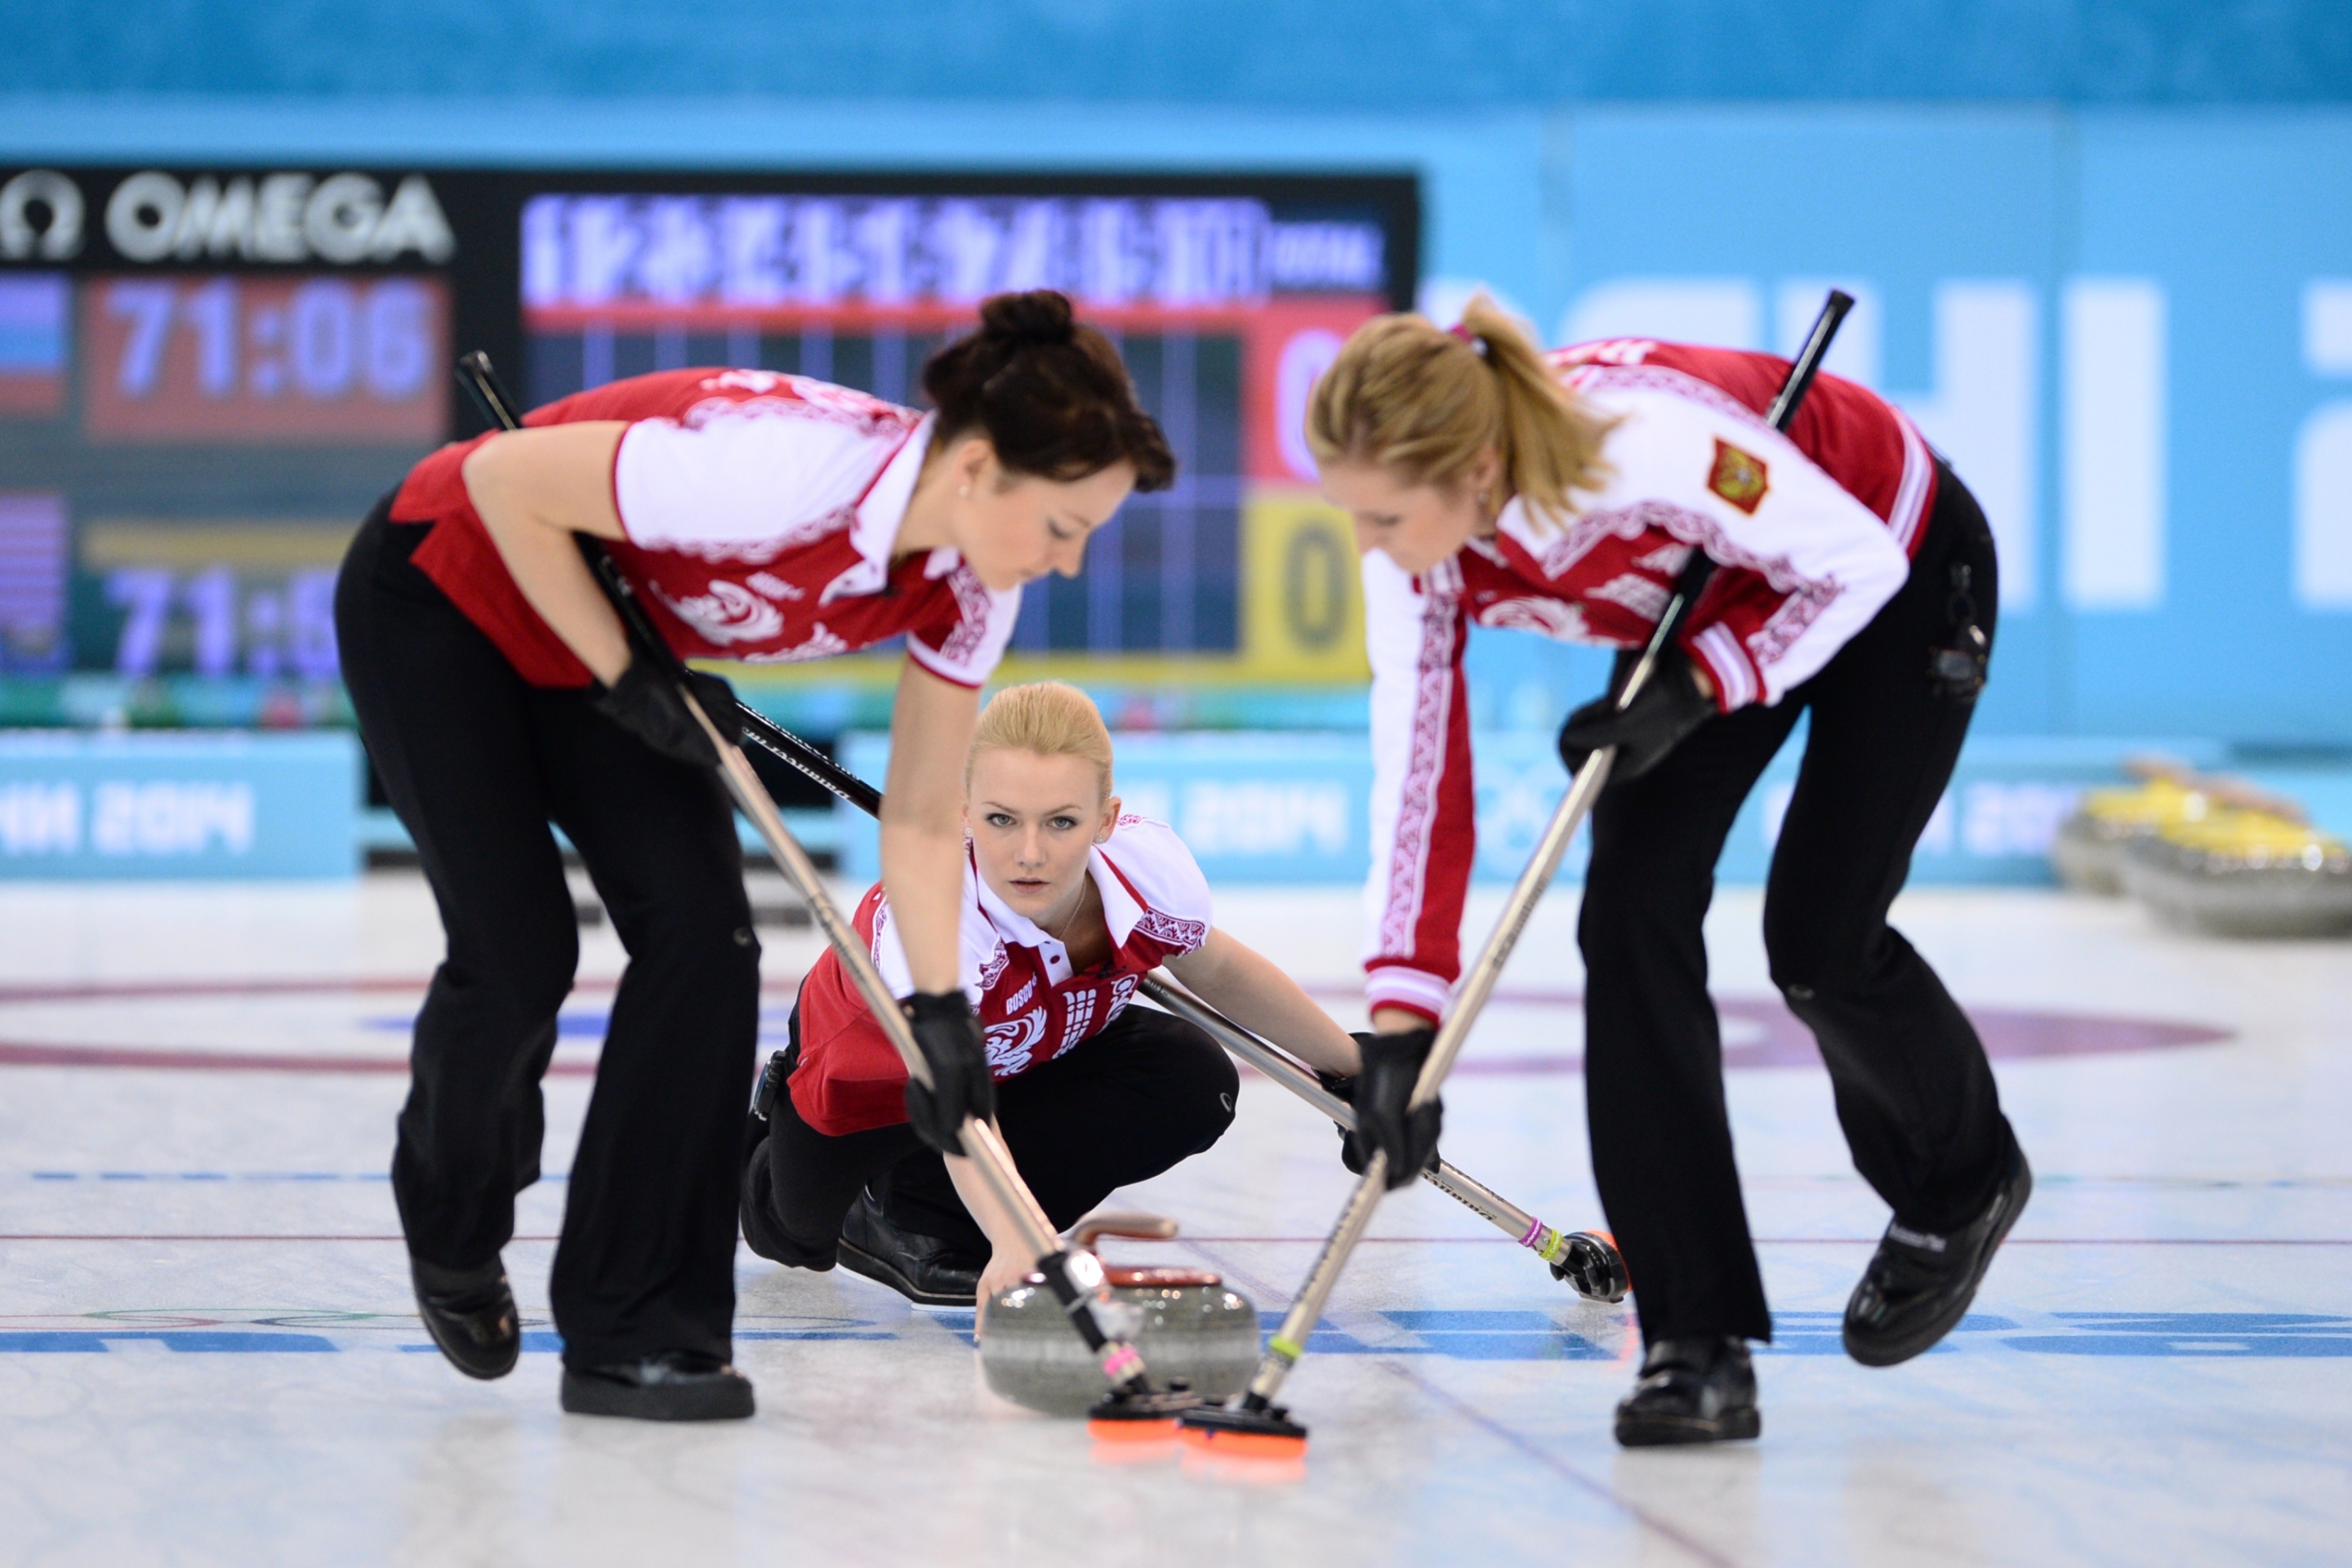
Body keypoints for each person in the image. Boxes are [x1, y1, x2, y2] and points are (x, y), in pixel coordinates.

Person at [335, 292, 1174, 1420]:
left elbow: (926, 818)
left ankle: (639, 1332)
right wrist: (631, 683)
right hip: (447, 592)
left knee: (707, 943)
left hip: (601, 632)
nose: (1066, 563)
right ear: (978, 468)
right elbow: (501, 485)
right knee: (520, 949)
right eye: (1064, 528)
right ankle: (454, 1220)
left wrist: (938, 1015)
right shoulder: (786, 469)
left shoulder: (978, 583)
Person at [1304, 298, 2031, 1446]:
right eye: (1353, 514)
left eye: (1387, 515)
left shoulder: (1635, 445)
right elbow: (1419, 778)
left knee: (1819, 941)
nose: (1371, 546)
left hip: (1891, 563)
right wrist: (1404, 1035)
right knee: (1629, 915)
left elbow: (1847, 563)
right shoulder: (1416, 559)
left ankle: (1963, 1178)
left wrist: (1701, 689)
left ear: (1479, 466)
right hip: (1713, 610)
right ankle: (1696, 1342)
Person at [740, 680, 1370, 1314]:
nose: (1031, 854)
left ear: (1106, 819)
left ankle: (914, 1213)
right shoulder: (934, 913)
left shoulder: (1148, 868)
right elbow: (953, 1096)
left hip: (1023, 1059)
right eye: (1001, 820)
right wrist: (1018, 1242)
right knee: (795, 1233)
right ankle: (781, 1146)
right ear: (963, 811)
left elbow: (1219, 969)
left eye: (1062, 822)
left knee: (1190, 1077)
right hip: (874, 1091)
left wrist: (1355, 1069)